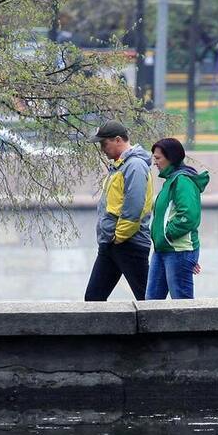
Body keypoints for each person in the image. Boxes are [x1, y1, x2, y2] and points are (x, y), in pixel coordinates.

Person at [85, 120, 153, 301]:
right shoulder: (120, 166)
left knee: (147, 300)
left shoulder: (135, 166)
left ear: (117, 140)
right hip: (112, 243)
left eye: (104, 143)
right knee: (93, 299)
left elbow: (134, 206)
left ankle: (170, 329)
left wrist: (119, 236)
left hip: (129, 243)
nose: (102, 149)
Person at [147, 137, 210, 300]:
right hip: (162, 251)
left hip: (178, 251)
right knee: (151, 305)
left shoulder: (183, 181)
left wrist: (167, 234)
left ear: (171, 158)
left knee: (182, 305)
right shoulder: (170, 180)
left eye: (158, 158)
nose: (155, 163)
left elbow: (188, 216)